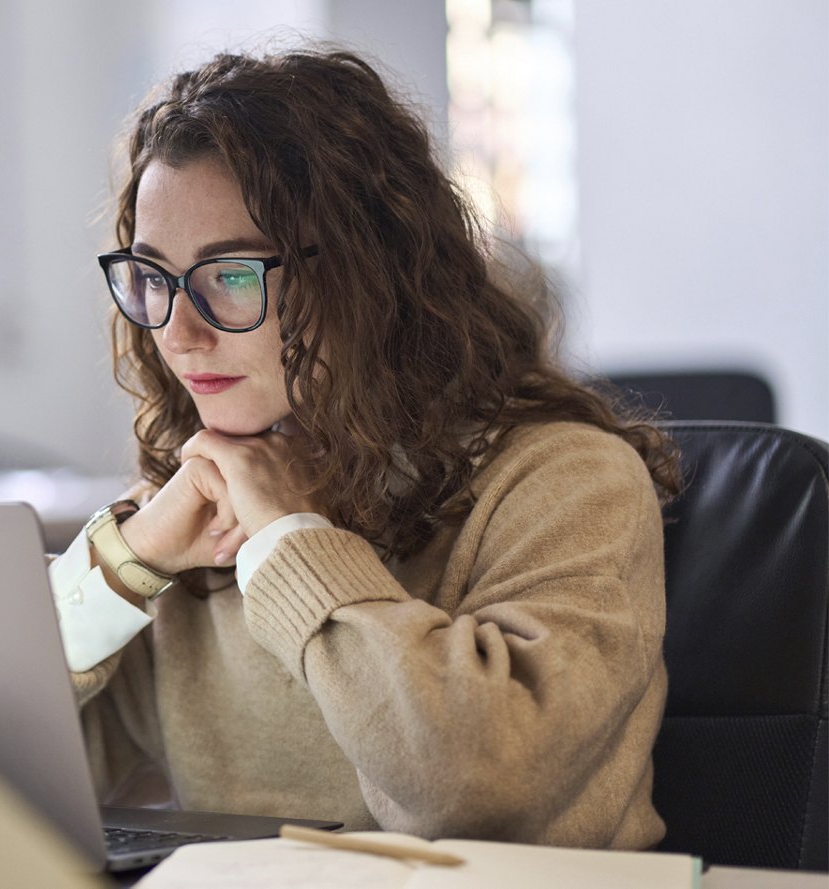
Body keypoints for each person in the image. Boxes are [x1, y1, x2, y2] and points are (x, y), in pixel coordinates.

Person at [47, 45, 680, 850]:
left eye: (232, 275)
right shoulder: (196, 504)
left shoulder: (568, 483)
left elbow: (474, 790)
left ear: (366, 272)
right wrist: (126, 560)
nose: (179, 330)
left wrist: (288, 541)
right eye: (153, 277)